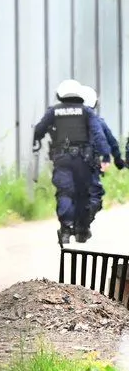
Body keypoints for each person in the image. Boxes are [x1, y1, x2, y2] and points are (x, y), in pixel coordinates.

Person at [31, 79, 110, 246]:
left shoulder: (54, 111)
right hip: (84, 160)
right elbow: (98, 134)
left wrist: (36, 139)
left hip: (62, 159)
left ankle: (66, 230)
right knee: (84, 194)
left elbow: (39, 129)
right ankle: (82, 230)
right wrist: (105, 156)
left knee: (65, 192)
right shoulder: (87, 112)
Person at [78, 85, 124, 241]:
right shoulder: (97, 122)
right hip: (88, 166)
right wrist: (117, 161)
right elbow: (112, 143)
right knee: (96, 196)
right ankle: (82, 226)